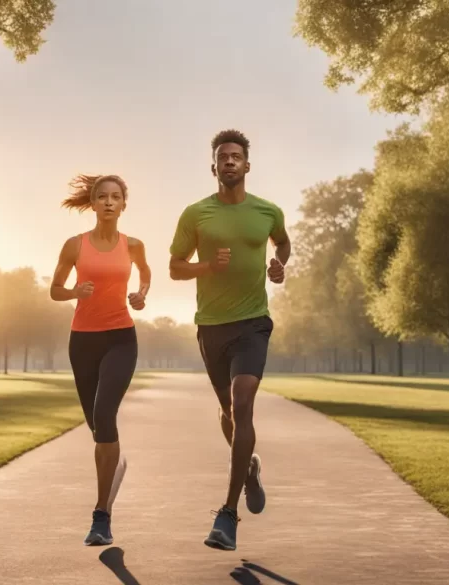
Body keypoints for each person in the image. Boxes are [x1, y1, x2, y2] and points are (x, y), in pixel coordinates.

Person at [168, 129, 291, 551]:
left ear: (247, 165)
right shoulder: (196, 214)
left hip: (253, 323)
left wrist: (278, 266)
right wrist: (205, 267)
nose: (230, 161)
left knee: (242, 403)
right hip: (212, 326)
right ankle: (250, 467)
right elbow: (174, 267)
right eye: (223, 156)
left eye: (236, 155)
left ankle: (227, 515)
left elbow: (283, 244)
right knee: (228, 412)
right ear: (214, 166)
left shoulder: (268, 211)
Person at [49, 173, 151, 547]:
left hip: (121, 338)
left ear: (124, 204)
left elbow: (145, 274)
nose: (109, 202)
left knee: (105, 415)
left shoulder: (134, 245)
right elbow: (54, 290)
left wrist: (140, 294)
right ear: (92, 204)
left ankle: (101, 516)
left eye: (116, 197)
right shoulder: (74, 246)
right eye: (102, 197)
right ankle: (116, 464)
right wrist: (76, 290)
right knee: (97, 427)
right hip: (83, 342)